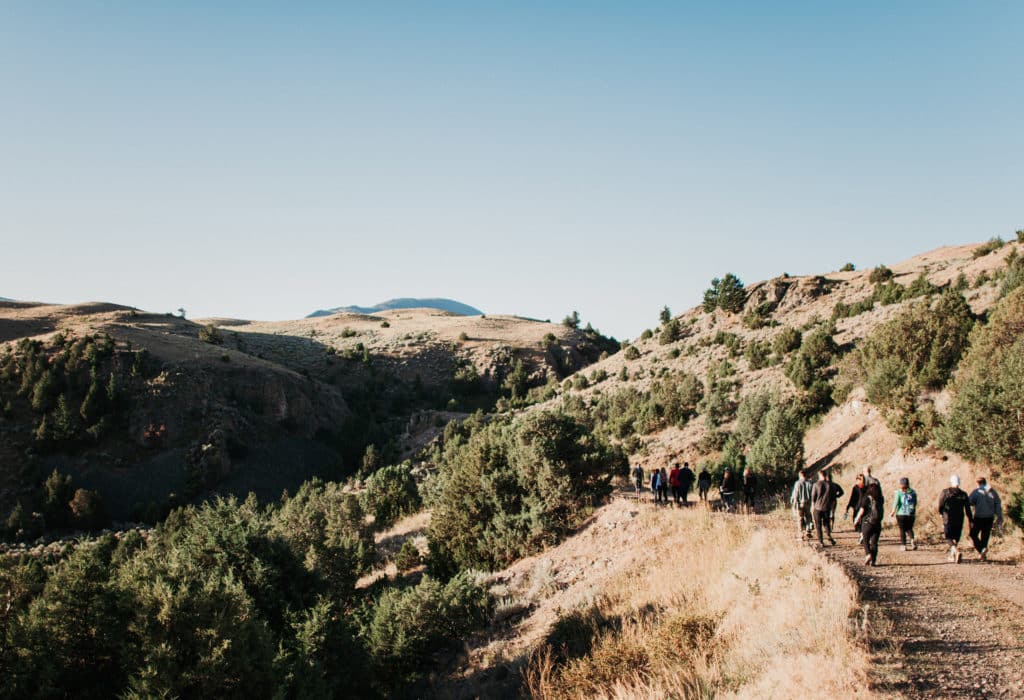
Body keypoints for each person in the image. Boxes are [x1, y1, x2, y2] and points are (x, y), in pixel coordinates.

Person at [938, 475, 972, 564]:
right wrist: (970, 520)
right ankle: (952, 555)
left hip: (948, 518)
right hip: (959, 518)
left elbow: (940, 505)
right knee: (956, 538)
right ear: (959, 482)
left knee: (948, 537)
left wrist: (941, 513)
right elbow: (968, 509)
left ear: (951, 482)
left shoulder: (945, 492)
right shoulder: (963, 494)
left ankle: (955, 551)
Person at [968, 477, 1003, 561]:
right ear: (985, 482)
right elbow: (998, 504)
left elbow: (969, 502)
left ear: (978, 483)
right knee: (985, 536)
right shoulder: (993, 492)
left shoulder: (976, 492)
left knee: (973, 534)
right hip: (990, 517)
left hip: (979, 517)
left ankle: (981, 549)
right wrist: (999, 516)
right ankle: (983, 555)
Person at [854, 481, 884, 566]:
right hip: (877, 523)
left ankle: (868, 555)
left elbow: (862, 511)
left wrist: (856, 520)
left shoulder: (867, 498)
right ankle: (873, 561)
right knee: (874, 543)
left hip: (867, 523)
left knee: (866, 541)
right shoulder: (881, 499)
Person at [890, 477, 918, 551]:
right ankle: (912, 539)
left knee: (902, 529)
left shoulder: (898, 492)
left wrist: (893, 512)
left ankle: (903, 545)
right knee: (909, 528)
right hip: (911, 514)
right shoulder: (913, 492)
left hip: (901, 513)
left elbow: (896, 502)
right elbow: (915, 503)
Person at [811, 470, 836, 547]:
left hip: (817, 507)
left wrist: (812, 506)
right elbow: (833, 497)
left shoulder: (816, 484)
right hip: (827, 507)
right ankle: (829, 535)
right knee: (826, 523)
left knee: (818, 525)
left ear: (819, 475)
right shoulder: (831, 485)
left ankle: (821, 541)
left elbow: (813, 497)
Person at [790, 469, 813, 540]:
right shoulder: (810, 483)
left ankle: (801, 534)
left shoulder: (798, 483)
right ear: (805, 475)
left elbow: (795, 494)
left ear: (800, 475)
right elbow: (812, 494)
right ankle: (808, 530)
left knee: (800, 518)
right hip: (808, 503)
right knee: (808, 516)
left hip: (799, 504)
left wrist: (793, 502)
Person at [845, 474, 865, 543]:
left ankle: (861, 534)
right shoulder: (866, 487)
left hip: (857, 507)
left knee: (856, 521)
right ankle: (863, 534)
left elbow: (852, 498)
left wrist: (848, 506)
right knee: (863, 521)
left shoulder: (856, 487)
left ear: (857, 480)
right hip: (865, 507)